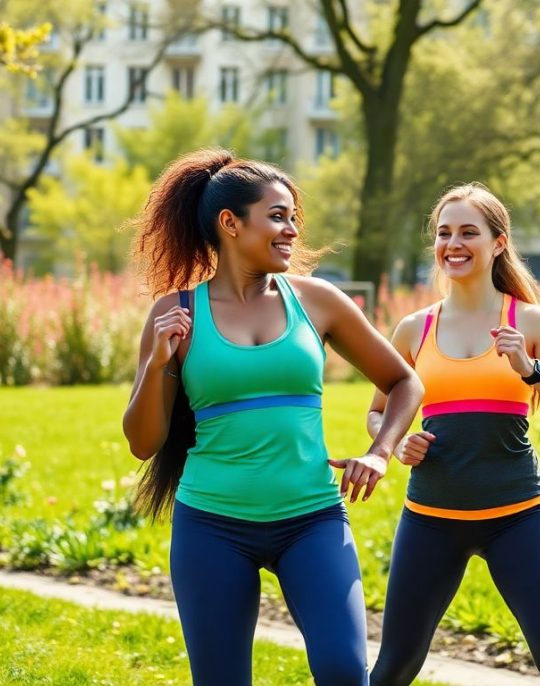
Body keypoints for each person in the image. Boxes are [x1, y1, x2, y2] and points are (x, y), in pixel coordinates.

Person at [121, 149, 424, 686]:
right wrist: (157, 364)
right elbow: (143, 443)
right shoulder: (177, 313)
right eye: (277, 216)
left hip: (311, 520)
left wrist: (379, 454)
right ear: (230, 223)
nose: (291, 231)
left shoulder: (318, 300)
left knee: (342, 672)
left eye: (293, 218)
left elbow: (404, 381)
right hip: (212, 526)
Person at [366, 183, 540, 686]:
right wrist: (399, 443)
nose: (454, 243)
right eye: (444, 232)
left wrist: (531, 369)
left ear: (498, 242)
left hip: (516, 519)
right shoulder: (414, 329)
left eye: (469, 232)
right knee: (393, 666)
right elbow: (377, 413)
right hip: (430, 519)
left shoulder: (529, 320)